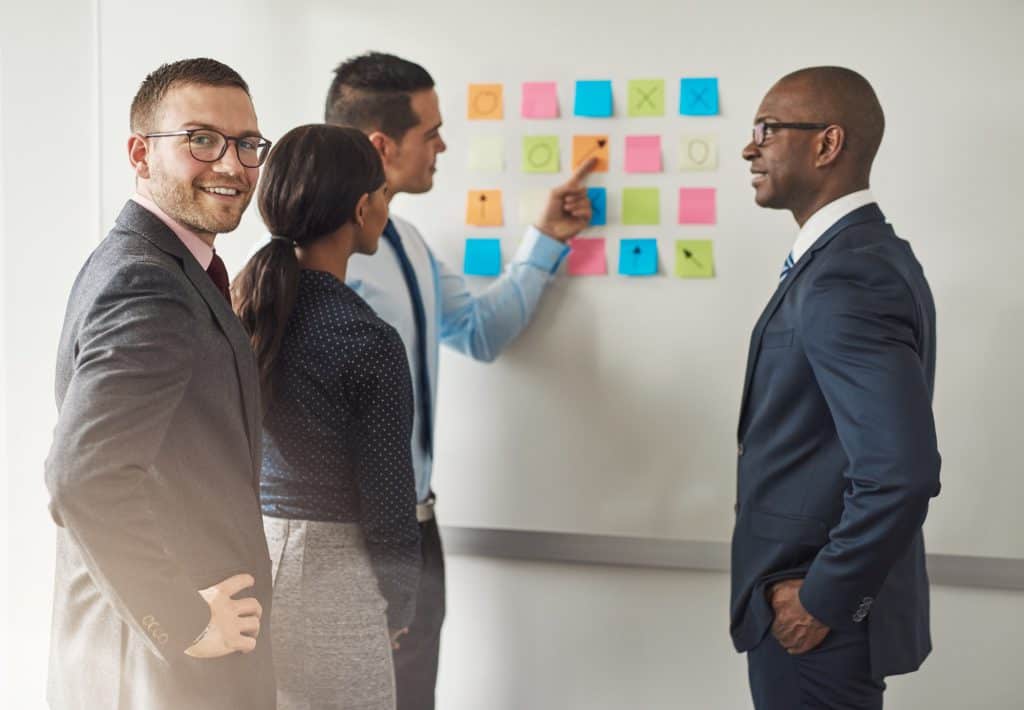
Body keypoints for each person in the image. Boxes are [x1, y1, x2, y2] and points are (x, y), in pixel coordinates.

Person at [324, 51, 596, 709]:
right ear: (382, 146)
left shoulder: (409, 242)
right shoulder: (321, 263)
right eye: (432, 132)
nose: (444, 146)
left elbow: (479, 330)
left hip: (420, 528)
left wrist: (545, 240)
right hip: (357, 541)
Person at [43, 58, 275, 709]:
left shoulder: (151, 262)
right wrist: (181, 620)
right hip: (159, 670)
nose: (232, 165)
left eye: (247, 144)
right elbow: (83, 475)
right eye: (201, 140)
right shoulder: (149, 281)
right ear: (140, 153)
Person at [731, 66, 942, 709]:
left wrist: (820, 597)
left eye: (766, 130)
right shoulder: (857, 258)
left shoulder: (846, 277)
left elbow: (900, 471)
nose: (749, 147)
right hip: (816, 615)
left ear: (827, 144)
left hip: (817, 624)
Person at [232, 123, 421, 709]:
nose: (387, 207)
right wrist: (399, 602)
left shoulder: (242, 309)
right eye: (385, 195)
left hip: (249, 566)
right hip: (335, 583)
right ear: (363, 208)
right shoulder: (366, 338)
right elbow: (389, 497)